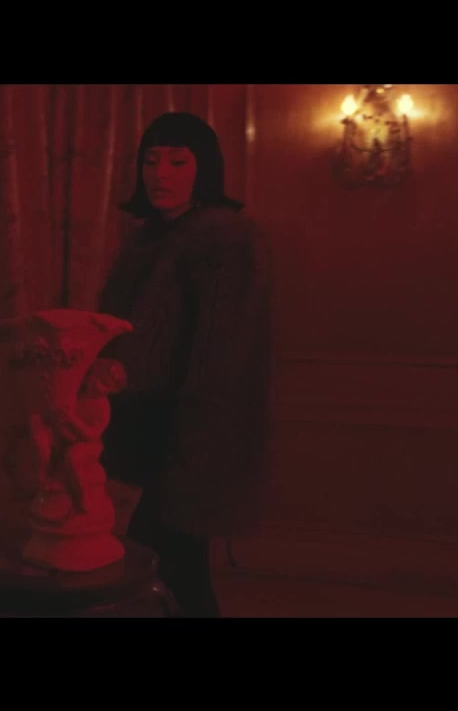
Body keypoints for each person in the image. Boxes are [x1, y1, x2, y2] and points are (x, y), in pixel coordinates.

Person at [97, 111, 273, 618]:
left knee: (167, 563)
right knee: (167, 565)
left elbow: (224, 352)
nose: (160, 174)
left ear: (204, 169)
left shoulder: (225, 239)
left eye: (178, 162)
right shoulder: (146, 239)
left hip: (190, 428)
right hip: (145, 423)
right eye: (151, 161)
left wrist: (198, 439)